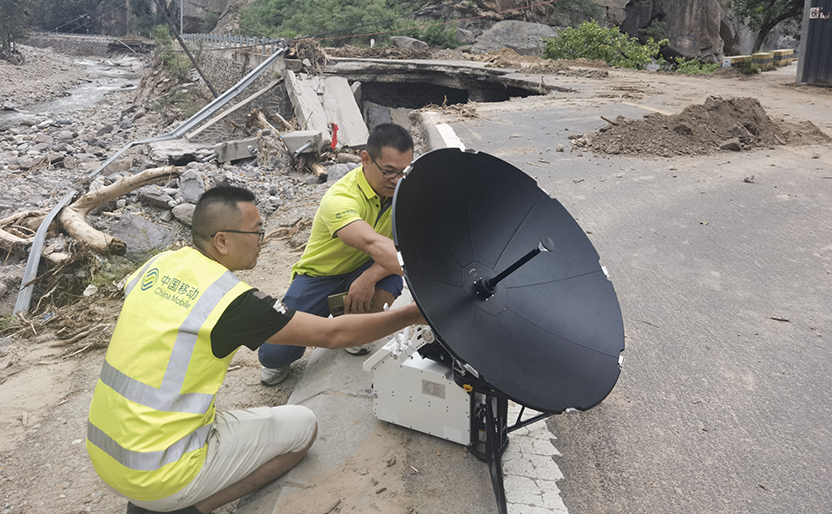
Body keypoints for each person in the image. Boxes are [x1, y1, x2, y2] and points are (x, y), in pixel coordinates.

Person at [86, 187, 424, 514]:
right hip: (161, 471)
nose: (263, 240)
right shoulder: (228, 301)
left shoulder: (159, 265)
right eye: (257, 231)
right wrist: (412, 313)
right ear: (222, 240)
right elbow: (333, 334)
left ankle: (161, 495)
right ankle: (191, 505)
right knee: (303, 427)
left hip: (105, 453)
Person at [258, 123, 414, 386]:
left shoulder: (405, 190)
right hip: (320, 276)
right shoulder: (340, 198)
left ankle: (353, 325)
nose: (397, 181)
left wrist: (369, 277)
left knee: (388, 283)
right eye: (388, 171)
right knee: (275, 353)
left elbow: (410, 244)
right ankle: (328, 326)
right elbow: (372, 242)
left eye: (404, 172)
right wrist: (426, 274)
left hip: (366, 267)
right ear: (365, 159)